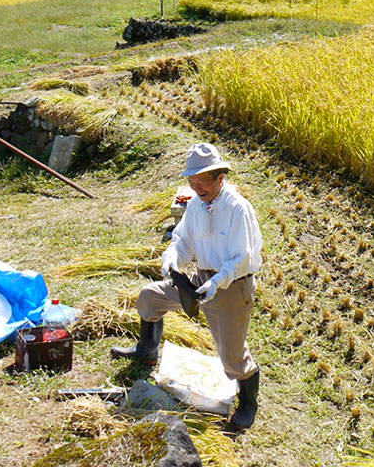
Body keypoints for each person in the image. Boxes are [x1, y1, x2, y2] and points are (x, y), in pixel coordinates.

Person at [111, 143, 263, 430]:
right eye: (192, 182)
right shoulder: (196, 204)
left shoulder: (236, 209)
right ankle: (147, 349)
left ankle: (249, 402)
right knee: (149, 298)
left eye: (202, 182)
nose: (196, 187)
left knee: (231, 357)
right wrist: (172, 258)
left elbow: (242, 259)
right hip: (200, 279)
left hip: (232, 286)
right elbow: (183, 240)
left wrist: (216, 283)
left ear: (220, 178)